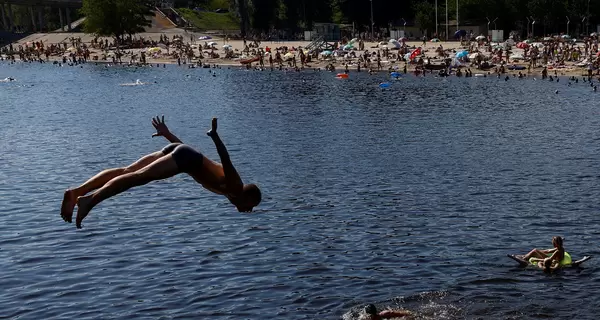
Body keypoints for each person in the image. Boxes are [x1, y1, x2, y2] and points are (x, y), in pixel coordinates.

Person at [60, 116, 262, 228]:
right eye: (251, 205)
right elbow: (226, 159)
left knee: (128, 170)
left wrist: (168, 136)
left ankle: (77, 191)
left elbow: (193, 156)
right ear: (247, 195)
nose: (249, 210)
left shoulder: (228, 189)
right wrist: (215, 137)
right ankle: (89, 200)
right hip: (185, 158)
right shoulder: (235, 186)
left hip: (183, 153)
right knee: (137, 177)